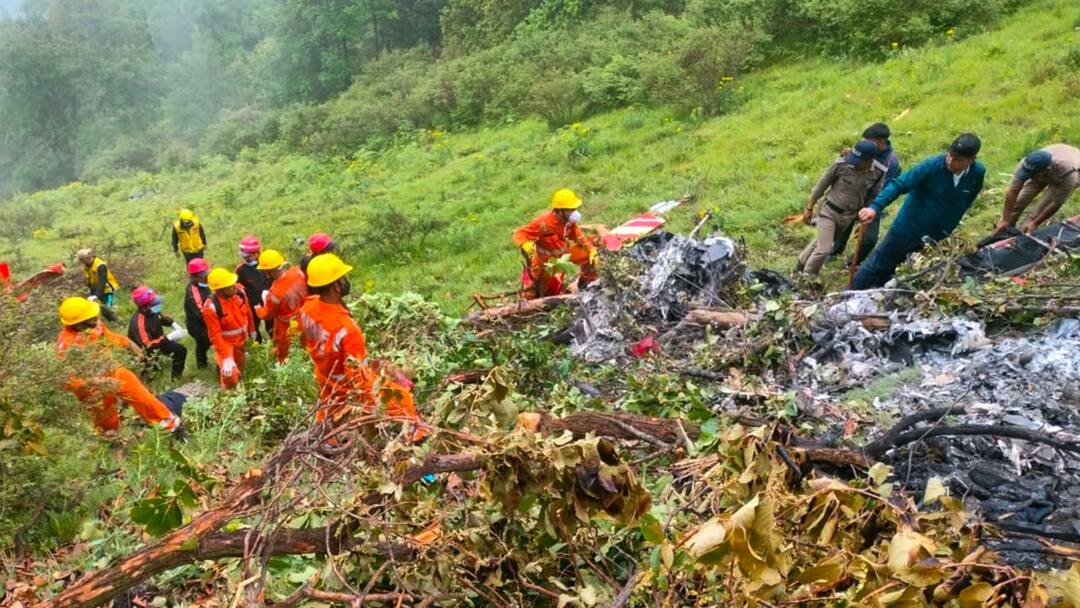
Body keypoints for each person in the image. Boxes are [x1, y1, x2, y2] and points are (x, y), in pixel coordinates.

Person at [297, 254, 425, 439]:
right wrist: (376, 406)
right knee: (404, 399)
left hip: (325, 380)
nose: (346, 280)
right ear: (335, 285)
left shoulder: (307, 308)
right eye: (342, 277)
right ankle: (417, 437)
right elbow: (357, 377)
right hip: (346, 390)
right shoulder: (347, 329)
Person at [851, 133, 986, 289]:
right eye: (949, 155)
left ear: (971, 160)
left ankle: (878, 294)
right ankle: (847, 297)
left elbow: (968, 199)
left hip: (937, 235)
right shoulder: (932, 166)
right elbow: (899, 185)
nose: (950, 161)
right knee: (877, 264)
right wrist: (875, 208)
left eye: (957, 160)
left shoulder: (977, 173)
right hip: (907, 229)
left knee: (902, 270)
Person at [56, 297, 181, 434]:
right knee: (105, 417)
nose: (97, 319)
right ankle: (112, 437)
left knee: (142, 396)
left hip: (112, 370)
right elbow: (70, 380)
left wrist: (130, 344)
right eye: (93, 318)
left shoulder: (93, 324)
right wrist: (98, 382)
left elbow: (110, 337)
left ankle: (169, 425)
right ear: (79, 324)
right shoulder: (66, 346)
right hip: (92, 387)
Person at [795, 140, 884, 275]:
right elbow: (820, 187)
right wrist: (809, 209)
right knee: (824, 249)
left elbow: (873, 196)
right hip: (829, 211)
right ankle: (807, 278)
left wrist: (864, 219)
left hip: (847, 217)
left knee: (822, 242)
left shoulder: (878, 172)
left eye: (858, 161)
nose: (853, 163)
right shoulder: (841, 165)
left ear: (869, 160)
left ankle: (800, 264)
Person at [830, 123, 903, 263]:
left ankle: (854, 261)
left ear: (882, 142)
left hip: (872, 202)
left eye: (870, 141)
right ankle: (835, 250)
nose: (866, 143)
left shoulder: (890, 162)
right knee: (843, 226)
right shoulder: (866, 149)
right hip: (854, 196)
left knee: (869, 239)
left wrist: (873, 208)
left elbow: (885, 189)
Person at [512, 189, 599, 298]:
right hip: (545, 263)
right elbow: (519, 233)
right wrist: (525, 244)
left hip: (565, 257)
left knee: (591, 254)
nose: (574, 212)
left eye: (574, 208)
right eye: (571, 209)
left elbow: (578, 236)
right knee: (535, 290)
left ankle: (587, 283)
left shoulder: (568, 222)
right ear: (560, 211)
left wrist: (591, 250)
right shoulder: (543, 223)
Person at [994, 144, 1080, 235]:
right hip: (1043, 171)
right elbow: (1013, 191)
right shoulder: (1027, 164)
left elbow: (1055, 203)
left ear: (1046, 170)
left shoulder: (1070, 174)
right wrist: (1005, 219)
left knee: (1036, 213)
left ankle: (1024, 235)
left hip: (1062, 177)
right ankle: (1002, 233)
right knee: (1017, 203)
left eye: (1030, 174)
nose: (1027, 176)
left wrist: (1035, 222)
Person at [201, 267, 255, 389]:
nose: (233, 287)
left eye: (232, 283)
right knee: (230, 374)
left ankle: (240, 386)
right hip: (226, 345)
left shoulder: (240, 293)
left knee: (241, 368)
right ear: (219, 290)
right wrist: (226, 358)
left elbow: (248, 312)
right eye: (229, 286)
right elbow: (215, 335)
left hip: (241, 341)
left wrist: (252, 330)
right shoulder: (211, 308)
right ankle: (227, 392)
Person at [255, 249, 308, 363]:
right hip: (306, 317)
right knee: (305, 345)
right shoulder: (297, 272)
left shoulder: (275, 293)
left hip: (287, 327)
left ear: (268, 271)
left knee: (285, 352)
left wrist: (258, 309)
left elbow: (268, 315)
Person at [128, 287, 187, 380]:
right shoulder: (138, 323)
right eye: (153, 303)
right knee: (152, 374)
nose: (157, 305)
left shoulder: (152, 311)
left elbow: (161, 318)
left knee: (180, 351)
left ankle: (176, 379)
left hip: (160, 341)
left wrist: (173, 324)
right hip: (145, 352)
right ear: (143, 307)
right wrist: (169, 337)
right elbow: (147, 346)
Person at [235, 236, 271, 341]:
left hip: (268, 303)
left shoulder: (266, 263)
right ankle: (258, 346)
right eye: (243, 256)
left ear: (256, 253)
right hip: (252, 306)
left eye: (248, 256)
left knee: (272, 326)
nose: (245, 259)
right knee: (254, 329)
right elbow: (238, 289)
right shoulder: (241, 270)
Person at [183, 258, 213, 369]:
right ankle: (202, 366)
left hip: (208, 319)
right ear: (194, 276)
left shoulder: (207, 282)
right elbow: (201, 312)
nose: (206, 276)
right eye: (202, 274)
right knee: (203, 344)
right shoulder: (193, 292)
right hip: (198, 325)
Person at [76, 248, 119, 321]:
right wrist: (91, 292)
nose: (83, 262)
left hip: (108, 288)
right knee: (100, 306)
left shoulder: (101, 265)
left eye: (84, 259)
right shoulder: (87, 266)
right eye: (82, 260)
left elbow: (102, 281)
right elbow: (90, 279)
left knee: (109, 306)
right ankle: (109, 320)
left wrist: (96, 295)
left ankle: (117, 321)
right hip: (97, 288)